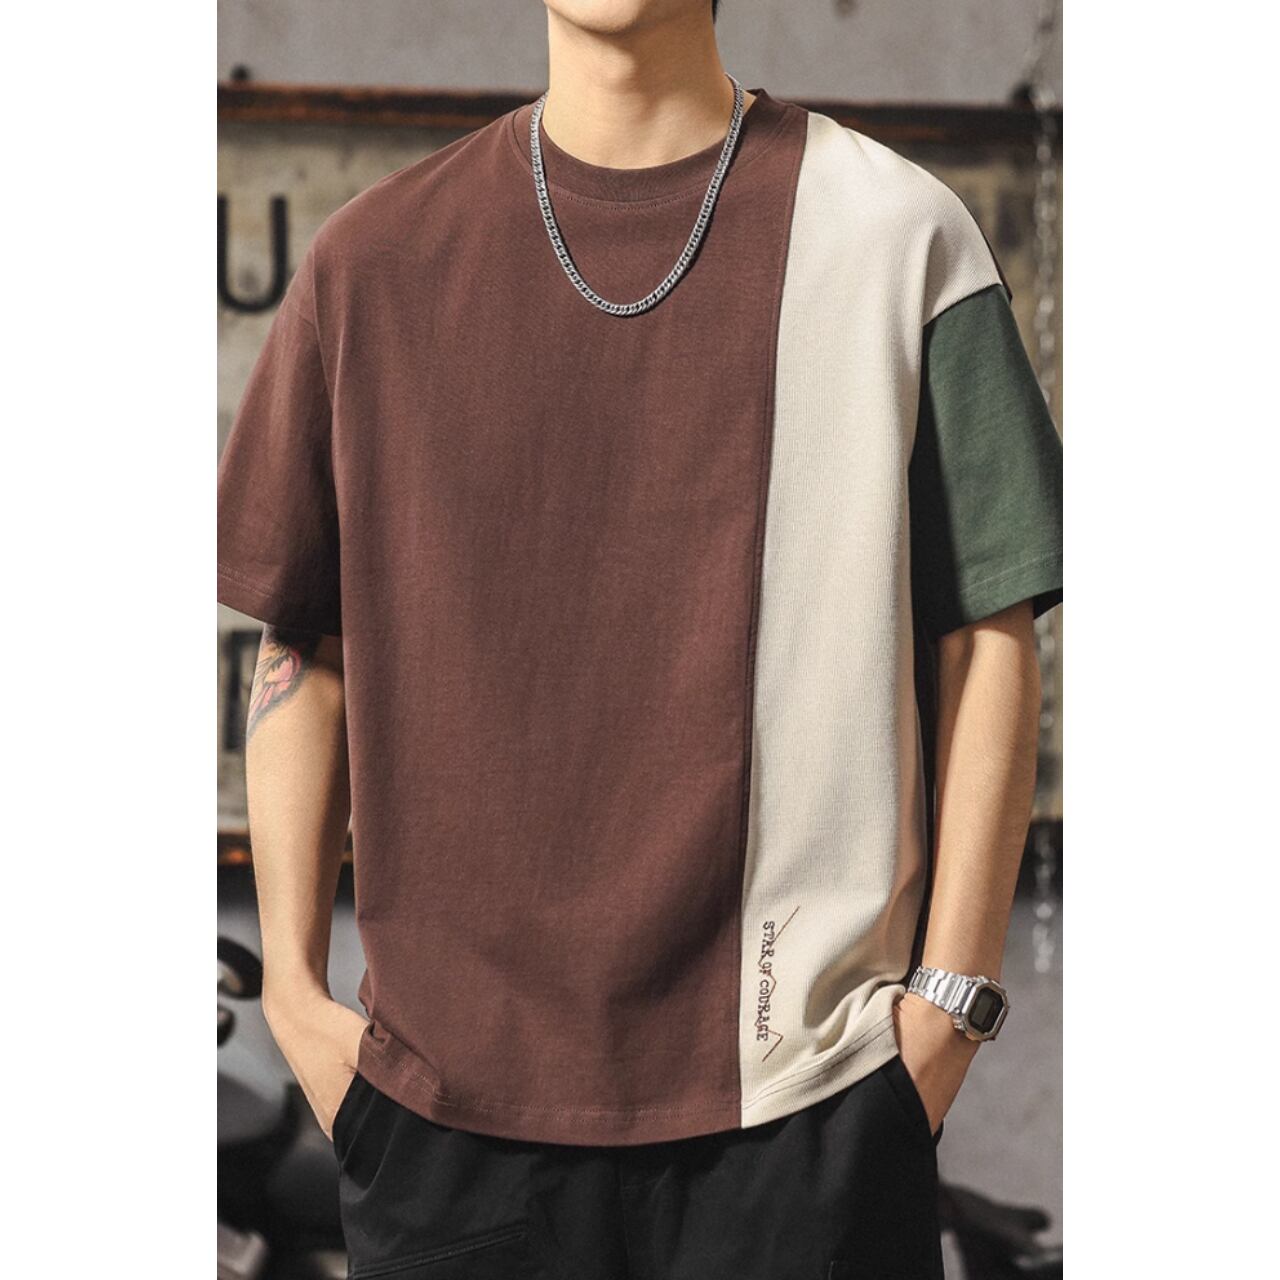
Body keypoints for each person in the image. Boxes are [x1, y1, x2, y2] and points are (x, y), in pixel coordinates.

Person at [216, 1, 1063, 1275]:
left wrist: (947, 1006)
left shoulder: (896, 234)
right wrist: (292, 991)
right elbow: (306, 647)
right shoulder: (370, 262)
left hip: (809, 1097)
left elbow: (986, 636)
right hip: (445, 1123)